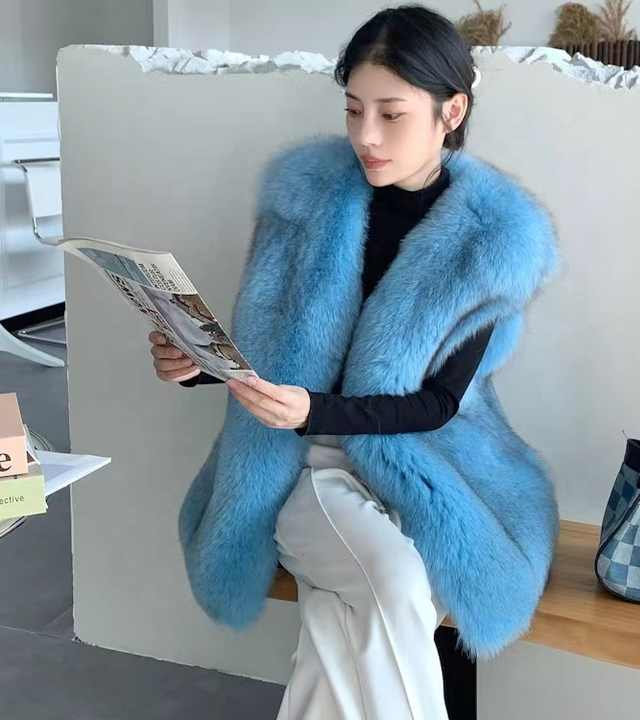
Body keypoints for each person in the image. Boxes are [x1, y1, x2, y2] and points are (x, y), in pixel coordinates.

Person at [151, 5, 560, 719]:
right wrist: (196, 364)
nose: (366, 135)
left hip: (428, 458)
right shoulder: (303, 198)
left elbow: (438, 404)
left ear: (451, 111)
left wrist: (315, 407)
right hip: (299, 459)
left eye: (391, 114)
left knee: (341, 621)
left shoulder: (494, 240)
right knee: (395, 583)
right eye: (353, 110)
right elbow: (268, 349)